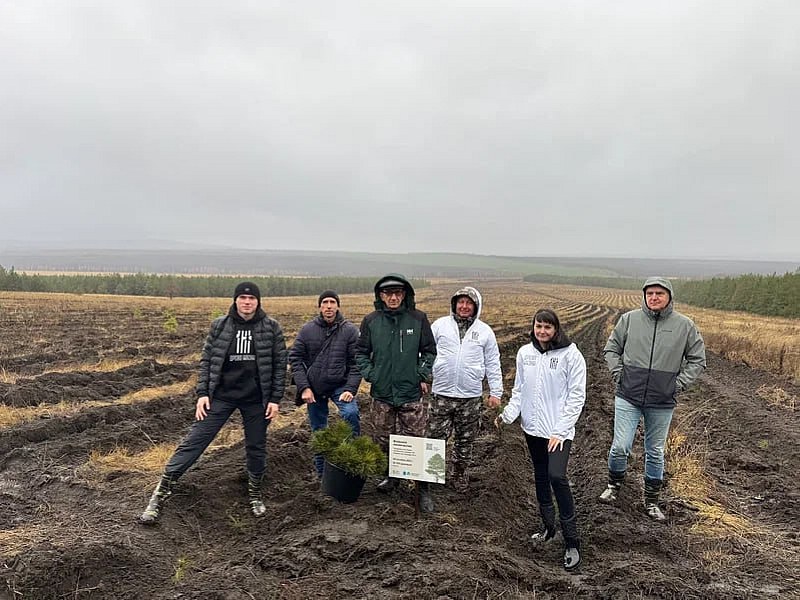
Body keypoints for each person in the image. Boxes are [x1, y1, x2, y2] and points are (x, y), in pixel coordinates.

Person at [138, 281, 287, 525]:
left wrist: (275, 399)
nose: (246, 302)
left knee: (256, 446)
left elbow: (280, 365)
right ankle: (160, 493)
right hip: (221, 396)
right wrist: (203, 393)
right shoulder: (220, 325)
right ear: (235, 300)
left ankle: (254, 494)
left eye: (251, 298)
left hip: (255, 400)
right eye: (242, 298)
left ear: (258, 301)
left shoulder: (271, 328)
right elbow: (208, 361)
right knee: (195, 441)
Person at [599, 277, 706, 521]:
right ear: (644, 296)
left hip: (661, 401)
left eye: (659, 293)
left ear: (669, 296)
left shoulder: (685, 326)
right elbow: (611, 349)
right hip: (629, 395)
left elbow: (698, 359)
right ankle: (613, 486)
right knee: (620, 446)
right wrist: (619, 374)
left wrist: (677, 385)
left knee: (655, 451)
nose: (654, 297)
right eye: (650, 293)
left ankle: (651, 502)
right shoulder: (629, 320)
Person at [495, 308, 586, 571]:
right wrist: (507, 416)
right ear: (533, 327)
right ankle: (548, 527)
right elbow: (519, 391)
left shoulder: (571, 355)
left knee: (557, 476)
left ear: (556, 329)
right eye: (538, 326)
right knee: (541, 476)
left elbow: (576, 396)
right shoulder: (526, 353)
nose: (542, 331)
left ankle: (572, 541)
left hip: (558, 432)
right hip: (532, 429)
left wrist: (560, 430)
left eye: (548, 327)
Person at [355, 273, 436, 510]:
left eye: (397, 293)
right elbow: (361, 353)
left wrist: (420, 374)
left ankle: (423, 490)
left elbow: (429, 351)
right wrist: (372, 374)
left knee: (417, 441)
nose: (393, 297)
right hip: (382, 393)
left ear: (405, 294)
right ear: (381, 296)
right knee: (383, 440)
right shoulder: (371, 321)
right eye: (388, 293)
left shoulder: (418, 319)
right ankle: (392, 477)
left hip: (410, 393)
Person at [428, 286, 502, 498]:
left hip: (470, 397)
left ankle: (459, 474)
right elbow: (426, 353)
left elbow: (493, 363)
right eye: (460, 302)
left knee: (465, 439)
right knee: (435, 437)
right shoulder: (440, 326)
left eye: (469, 303)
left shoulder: (485, 331)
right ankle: (431, 474)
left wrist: (496, 391)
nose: (464, 306)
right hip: (441, 393)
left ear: (476, 306)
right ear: (454, 304)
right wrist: (422, 378)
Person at [289, 290, 362, 478]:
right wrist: (304, 387)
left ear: (338, 306)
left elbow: (357, 363)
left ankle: (350, 462)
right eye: (325, 302)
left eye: (332, 302)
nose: (328, 306)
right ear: (320, 307)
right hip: (314, 387)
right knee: (318, 430)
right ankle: (322, 474)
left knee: (351, 413)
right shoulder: (307, 330)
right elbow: (295, 359)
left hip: (340, 385)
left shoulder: (350, 331)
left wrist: (350, 389)